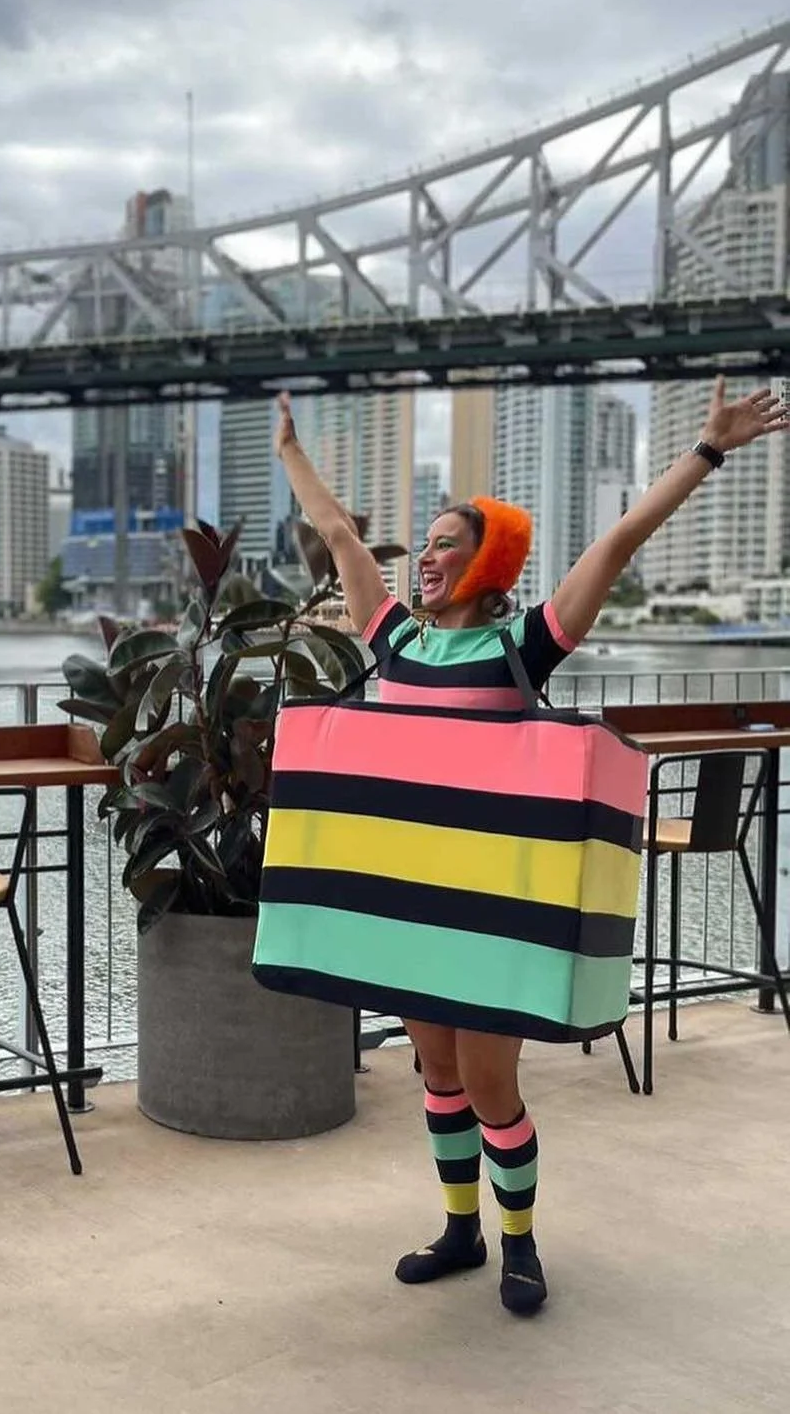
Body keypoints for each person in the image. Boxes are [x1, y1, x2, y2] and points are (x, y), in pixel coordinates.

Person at [272, 376, 789, 1315]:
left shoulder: (526, 642)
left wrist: (708, 450)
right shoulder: (393, 642)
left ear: (488, 562)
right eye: (426, 543)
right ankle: (460, 1230)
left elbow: (617, 543)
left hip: (493, 913)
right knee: (436, 1074)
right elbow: (340, 536)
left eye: (446, 543)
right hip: (411, 903)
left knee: (489, 1087)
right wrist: (290, 455)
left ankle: (518, 1240)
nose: (426, 557)